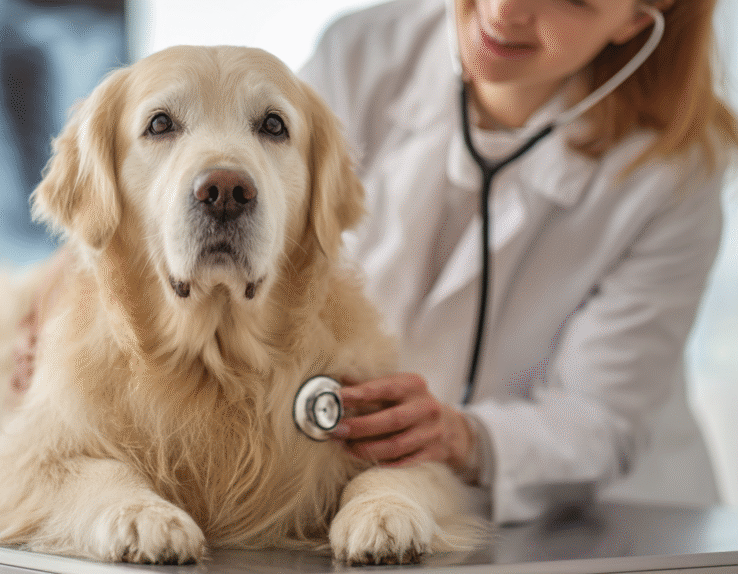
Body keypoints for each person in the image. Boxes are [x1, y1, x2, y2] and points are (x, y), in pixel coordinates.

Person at [300, 0, 738, 523]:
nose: (505, 11)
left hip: (604, 520)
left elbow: (599, 417)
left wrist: (465, 437)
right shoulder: (358, 54)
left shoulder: (675, 168)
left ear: (635, 20)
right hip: (377, 494)